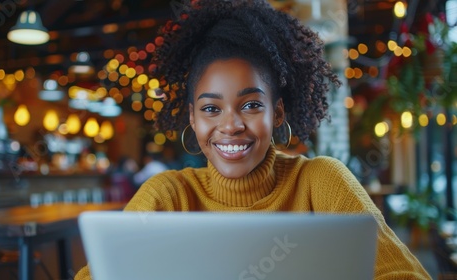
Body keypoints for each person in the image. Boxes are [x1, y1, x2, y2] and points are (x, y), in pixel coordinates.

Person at [75, 0, 430, 279]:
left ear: (276, 113)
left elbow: (404, 275)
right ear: (192, 118)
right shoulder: (168, 196)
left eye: (250, 105)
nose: (230, 126)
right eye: (211, 109)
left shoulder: (321, 182)